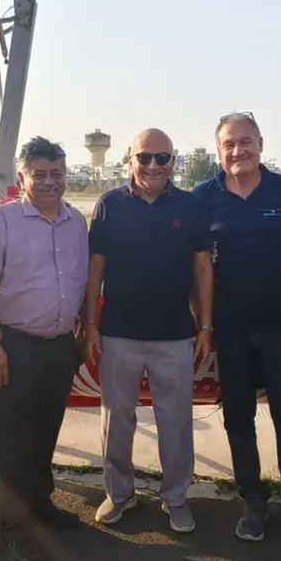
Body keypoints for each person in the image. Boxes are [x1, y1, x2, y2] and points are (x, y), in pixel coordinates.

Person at [193, 112, 281, 552]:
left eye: (245, 141)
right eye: (229, 144)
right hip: (229, 330)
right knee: (237, 417)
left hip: (280, 327)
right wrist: (204, 322)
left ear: (261, 144)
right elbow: (195, 266)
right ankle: (253, 499)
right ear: (218, 150)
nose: (238, 151)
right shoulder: (203, 197)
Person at [84, 128, 214, 534]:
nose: (153, 165)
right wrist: (90, 325)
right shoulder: (109, 205)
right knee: (116, 420)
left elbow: (203, 269)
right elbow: (95, 270)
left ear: (173, 162)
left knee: (175, 422)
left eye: (162, 158)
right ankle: (119, 494)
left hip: (175, 334)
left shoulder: (191, 206)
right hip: (118, 333)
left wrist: (205, 325)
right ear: (130, 160)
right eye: (144, 157)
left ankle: (175, 498)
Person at [0, 136, 89, 561]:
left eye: (56, 173)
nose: (48, 181)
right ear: (22, 178)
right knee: (13, 439)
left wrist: (83, 329)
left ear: (66, 176)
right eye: (39, 174)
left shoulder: (75, 222)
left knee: (46, 430)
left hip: (61, 345)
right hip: (17, 345)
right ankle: (13, 528)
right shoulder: (3, 221)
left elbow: (81, 279)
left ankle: (40, 504)